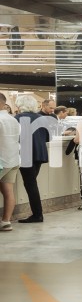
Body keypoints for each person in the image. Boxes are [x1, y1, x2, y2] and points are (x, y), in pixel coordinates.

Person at [14, 94, 52, 223]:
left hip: (25, 154)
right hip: (39, 153)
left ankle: (37, 214)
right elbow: (48, 137)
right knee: (31, 182)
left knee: (30, 184)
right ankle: (37, 214)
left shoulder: (17, 118)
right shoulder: (42, 118)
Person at [0, 93, 20, 231]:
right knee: (8, 192)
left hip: (1, 160)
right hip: (12, 159)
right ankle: (6, 222)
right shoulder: (13, 119)